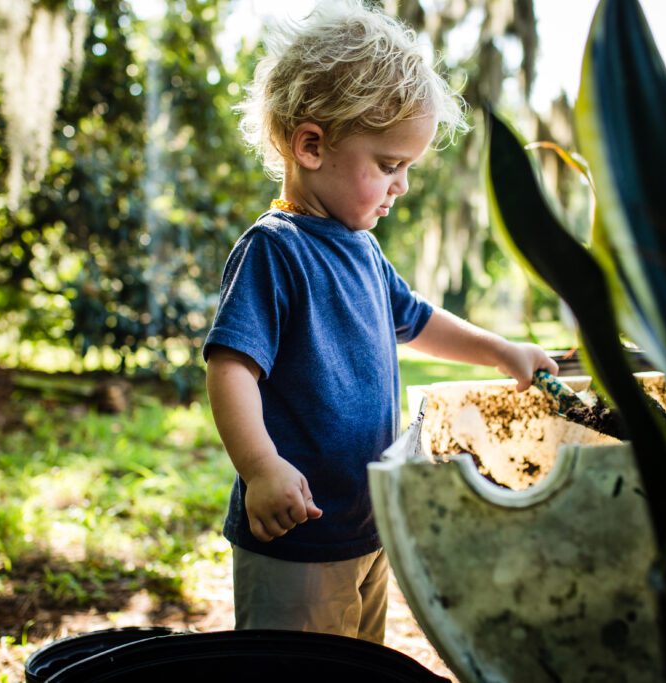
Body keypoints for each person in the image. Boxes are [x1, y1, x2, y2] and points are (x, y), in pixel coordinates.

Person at [203, 0, 557, 645]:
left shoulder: (362, 249)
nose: (400, 186)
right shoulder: (275, 249)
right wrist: (260, 468)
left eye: (407, 170)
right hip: (297, 531)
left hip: (367, 527)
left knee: (359, 662)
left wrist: (503, 350)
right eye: (388, 165)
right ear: (311, 145)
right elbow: (232, 367)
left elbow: (417, 320)